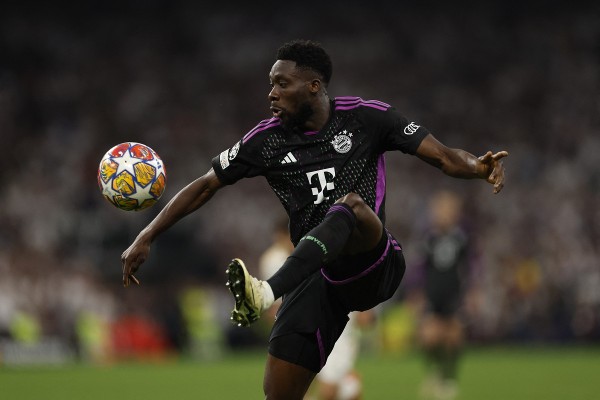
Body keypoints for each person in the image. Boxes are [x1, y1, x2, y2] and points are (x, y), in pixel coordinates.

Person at [121, 39, 508, 400]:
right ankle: (274, 295)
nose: (271, 93)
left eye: (281, 83)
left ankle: (265, 293)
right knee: (279, 392)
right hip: (317, 276)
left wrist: (479, 167)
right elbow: (206, 185)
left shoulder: (367, 117)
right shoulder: (266, 140)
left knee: (350, 205)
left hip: (372, 263)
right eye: (270, 84)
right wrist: (147, 234)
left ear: (313, 86)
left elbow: (443, 156)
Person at [259, 216, 371, 400]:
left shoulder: (324, 250)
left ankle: (349, 385)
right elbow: (272, 309)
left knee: (330, 391)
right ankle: (349, 385)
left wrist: (363, 310)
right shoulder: (272, 260)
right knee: (296, 387)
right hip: (296, 328)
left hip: (332, 324)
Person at [417, 190, 469, 400]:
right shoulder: (429, 238)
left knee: (453, 339)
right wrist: (417, 293)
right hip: (433, 295)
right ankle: (435, 373)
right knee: (429, 338)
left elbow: (470, 268)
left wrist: (472, 293)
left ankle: (449, 378)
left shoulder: (461, 238)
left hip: (453, 295)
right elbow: (421, 269)